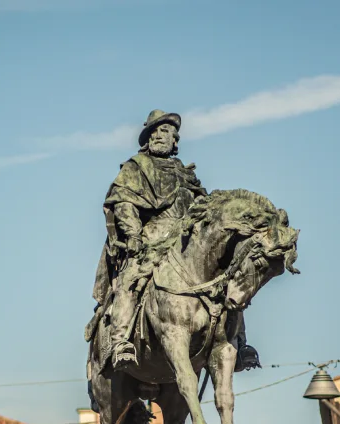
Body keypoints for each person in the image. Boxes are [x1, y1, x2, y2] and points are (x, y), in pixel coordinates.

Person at [91, 109, 261, 371]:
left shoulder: (185, 174)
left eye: (167, 131)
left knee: (227, 281)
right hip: (151, 240)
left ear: (176, 141)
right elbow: (123, 203)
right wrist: (134, 234)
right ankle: (120, 341)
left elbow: (203, 210)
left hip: (186, 244)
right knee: (130, 279)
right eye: (156, 131)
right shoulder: (135, 168)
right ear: (147, 137)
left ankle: (239, 343)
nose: (161, 136)